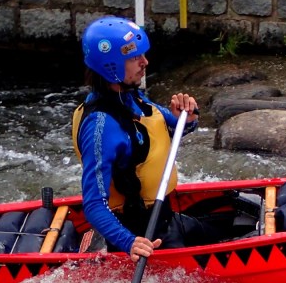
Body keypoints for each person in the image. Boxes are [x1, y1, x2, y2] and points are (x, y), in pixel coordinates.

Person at [72, 15, 208, 262]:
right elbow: (93, 205)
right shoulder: (100, 127)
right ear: (111, 64)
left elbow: (171, 128)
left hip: (163, 217)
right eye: (135, 58)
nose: (145, 62)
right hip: (141, 235)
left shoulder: (132, 97)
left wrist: (186, 119)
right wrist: (129, 242)